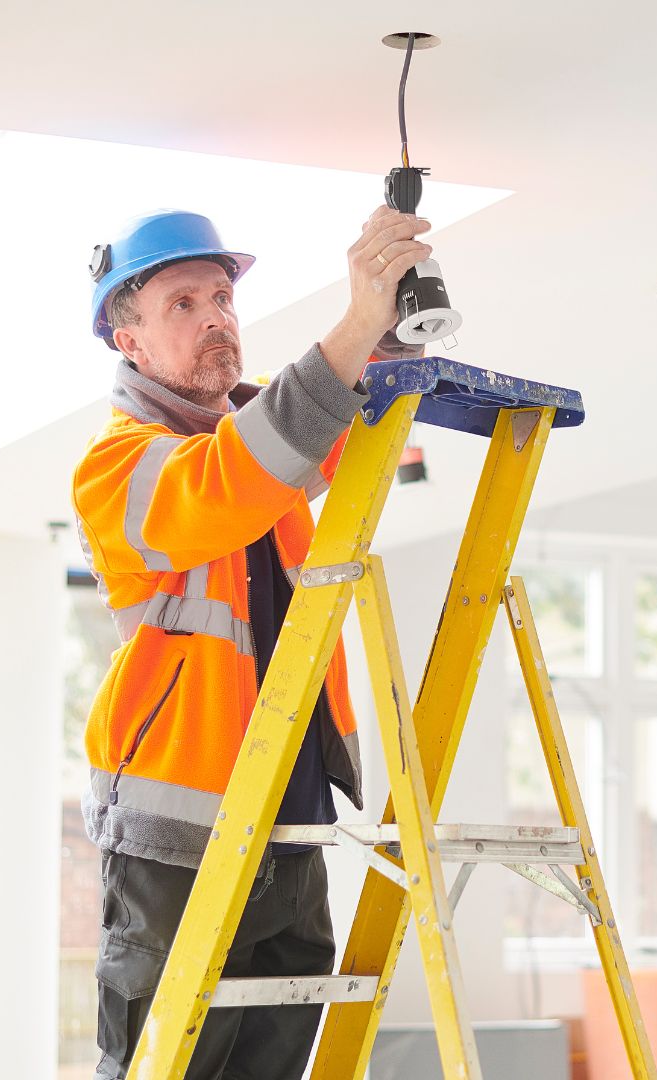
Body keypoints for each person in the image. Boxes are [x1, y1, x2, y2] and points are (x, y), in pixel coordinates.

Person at [72, 205, 432, 1079]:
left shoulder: (264, 438)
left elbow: (340, 429)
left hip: (292, 820)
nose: (215, 319)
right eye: (183, 304)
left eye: (222, 298)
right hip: (182, 836)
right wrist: (354, 323)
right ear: (129, 341)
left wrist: (393, 320)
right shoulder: (116, 466)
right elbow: (235, 475)